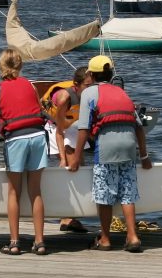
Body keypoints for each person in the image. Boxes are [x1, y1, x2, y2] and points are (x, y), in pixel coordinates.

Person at [69, 55, 152, 252]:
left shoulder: (89, 93)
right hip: (129, 147)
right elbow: (139, 128)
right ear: (111, 73)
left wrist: (76, 158)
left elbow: (83, 128)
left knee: (104, 195)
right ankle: (132, 237)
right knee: (127, 193)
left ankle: (105, 239)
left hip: (106, 149)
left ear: (91, 74)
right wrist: (144, 156)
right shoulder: (122, 92)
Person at [0, 49, 48, 255]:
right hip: (38, 137)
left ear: (1, 66)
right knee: (36, 192)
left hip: (16, 140)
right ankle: (39, 242)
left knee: (14, 192)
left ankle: (14, 242)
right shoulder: (30, 84)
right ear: (19, 66)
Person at [41, 66, 93, 233]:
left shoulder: (88, 95)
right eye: (87, 85)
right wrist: (63, 158)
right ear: (76, 85)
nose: (90, 89)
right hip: (56, 129)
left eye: (92, 85)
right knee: (70, 168)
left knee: (80, 168)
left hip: (71, 127)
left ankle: (71, 217)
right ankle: (64, 217)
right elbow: (59, 131)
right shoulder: (65, 98)